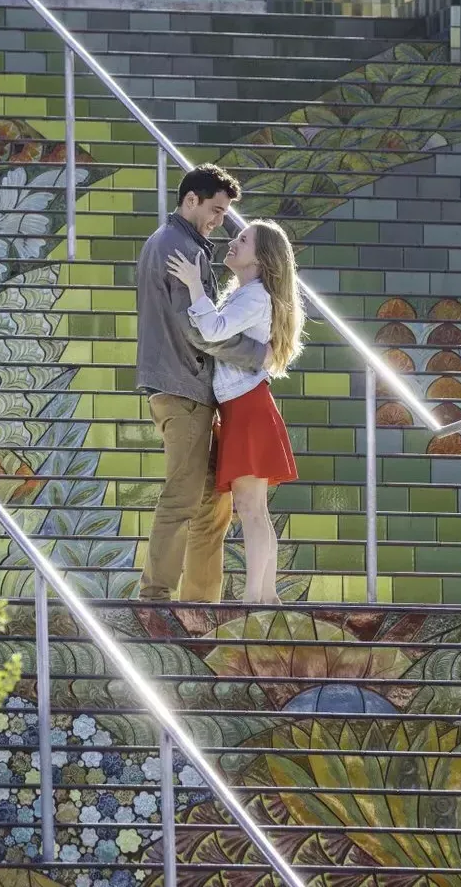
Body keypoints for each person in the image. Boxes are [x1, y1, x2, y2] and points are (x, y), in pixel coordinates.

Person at [134, 165, 269, 610]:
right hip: (183, 389)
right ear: (190, 199)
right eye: (215, 209)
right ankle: (156, 598)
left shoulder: (179, 244)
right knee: (183, 495)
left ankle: (200, 603)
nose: (219, 220)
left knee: (214, 503)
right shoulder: (178, 247)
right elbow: (199, 332)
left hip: (191, 390)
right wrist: (257, 354)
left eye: (224, 212)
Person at [166, 219, 304, 605]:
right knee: (253, 508)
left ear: (261, 258)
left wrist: (194, 284)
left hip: (246, 407)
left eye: (243, 240)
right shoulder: (245, 292)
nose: (234, 242)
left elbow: (212, 330)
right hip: (243, 406)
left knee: (251, 509)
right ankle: (265, 594)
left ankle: (257, 596)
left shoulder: (255, 296)